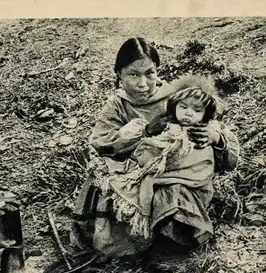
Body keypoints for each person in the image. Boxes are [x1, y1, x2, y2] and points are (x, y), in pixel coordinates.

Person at [70, 37, 239, 259]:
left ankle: (170, 245)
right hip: (136, 173)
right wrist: (145, 132)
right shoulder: (117, 105)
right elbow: (100, 144)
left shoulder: (179, 97)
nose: (143, 83)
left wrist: (215, 137)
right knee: (100, 185)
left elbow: (228, 154)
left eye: (150, 73)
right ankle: (133, 245)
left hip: (179, 176)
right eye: (133, 74)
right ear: (119, 75)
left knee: (172, 194)